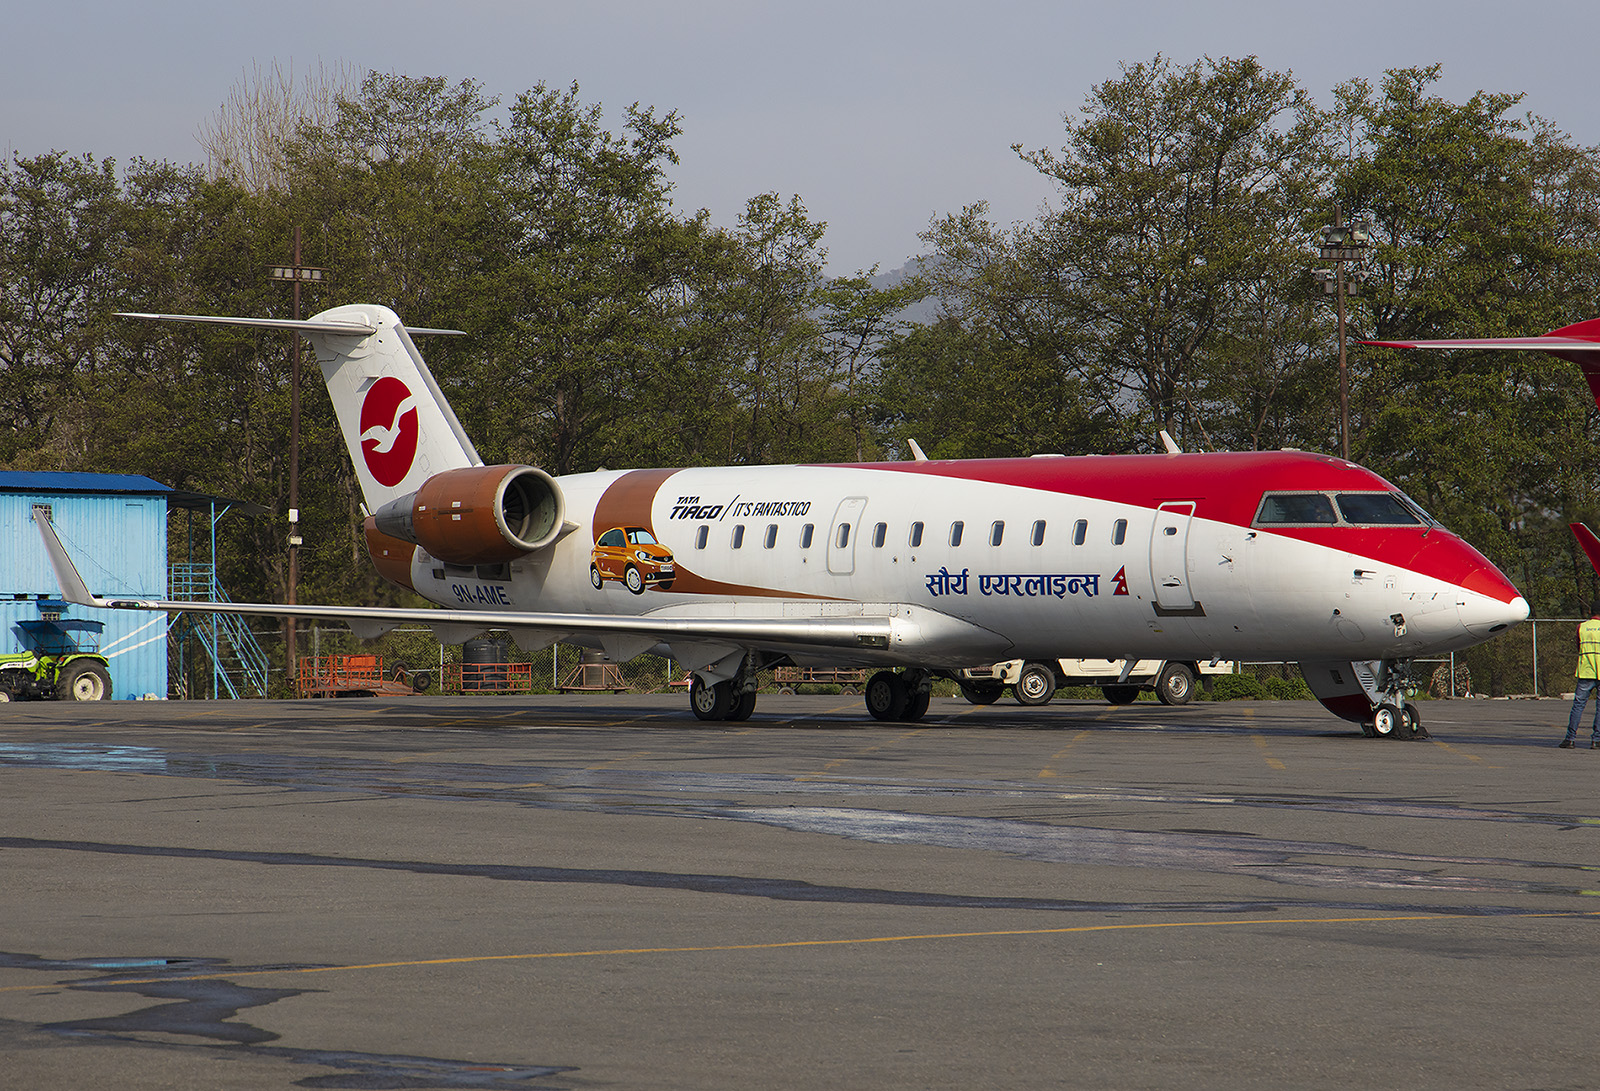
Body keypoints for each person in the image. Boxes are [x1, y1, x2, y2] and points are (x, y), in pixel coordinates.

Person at [1562, 601, 1600, 747]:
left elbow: (1579, 646)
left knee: (1578, 706)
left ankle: (1570, 739)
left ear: (1591, 612)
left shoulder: (1582, 627)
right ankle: (1596, 740)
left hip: (1586, 670)